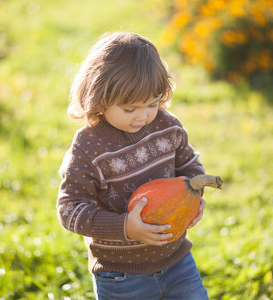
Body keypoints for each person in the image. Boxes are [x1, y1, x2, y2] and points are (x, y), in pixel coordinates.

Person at [57, 31, 209, 300]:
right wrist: (125, 227)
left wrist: (194, 196)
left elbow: (189, 165)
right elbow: (70, 209)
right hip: (121, 276)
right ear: (100, 98)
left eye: (152, 103)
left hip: (177, 262)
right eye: (130, 109)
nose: (144, 116)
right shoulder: (88, 147)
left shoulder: (167, 126)